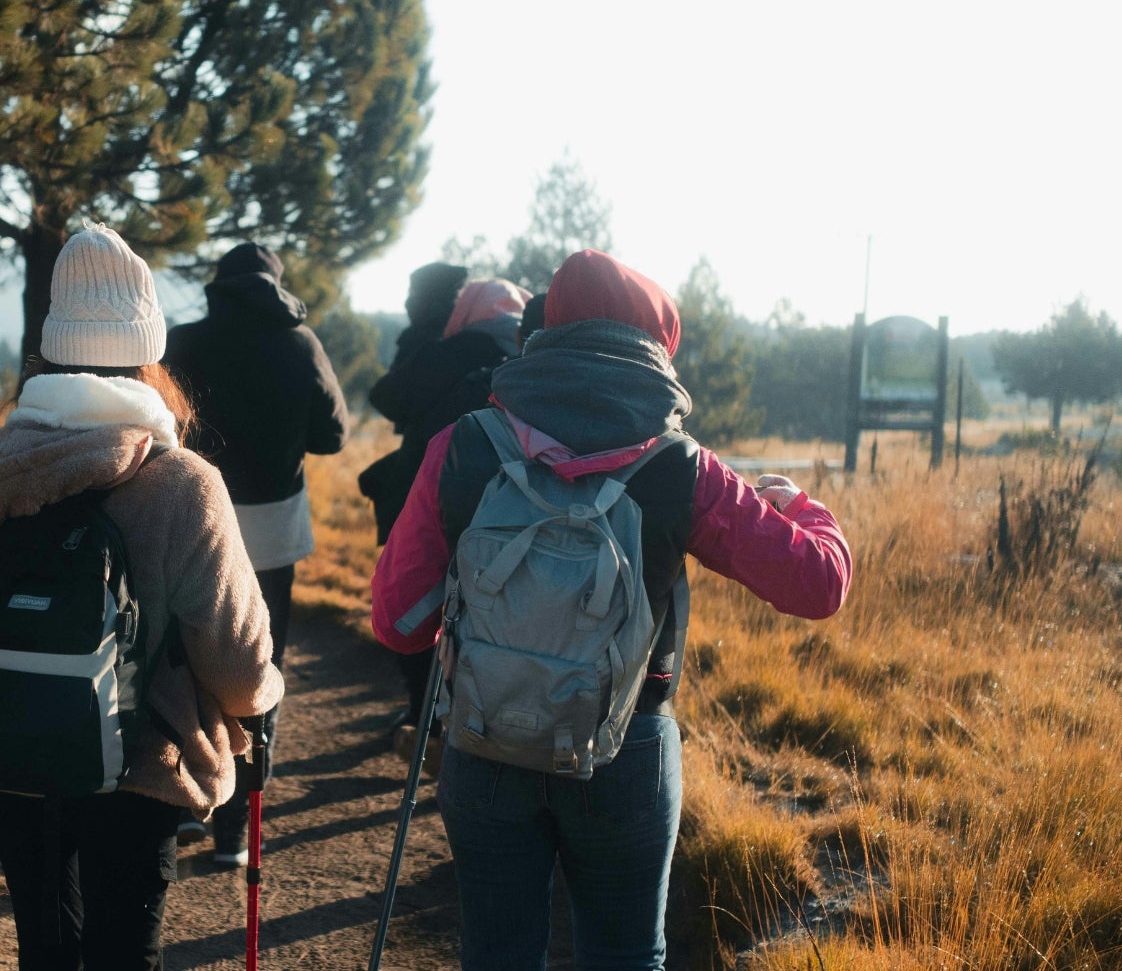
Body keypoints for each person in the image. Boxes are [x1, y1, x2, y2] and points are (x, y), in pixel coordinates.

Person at [370, 249, 852, 970]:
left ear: (547, 332)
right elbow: (818, 586)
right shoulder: (682, 467)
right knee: (626, 955)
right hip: (624, 751)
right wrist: (800, 509)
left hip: (485, 736)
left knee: (497, 955)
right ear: (657, 349)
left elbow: (397, 624)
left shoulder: (467, 444)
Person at [0, 226, 284, 971]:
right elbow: (236, 659)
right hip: (143, 772)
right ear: (148, 355)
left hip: (7, 758)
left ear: (49, 350)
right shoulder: (186, 486)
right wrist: (256, 707)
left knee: (44, 949)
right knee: (123, 954)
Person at [164, 242, 351, 863]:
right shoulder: (301, 344)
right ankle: (235, 833)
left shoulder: (185, 340)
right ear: (277, 284)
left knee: (183, 656)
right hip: (271, 528)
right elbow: (333, 435)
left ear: (219, 284)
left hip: (191, 516)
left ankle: (186, 797)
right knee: (259, 668)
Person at [365, 277, 530, 751]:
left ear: (468, 310)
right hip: (503, 508)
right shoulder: (527, 358)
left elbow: (386, 397)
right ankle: (474, 719)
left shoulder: (442, 353)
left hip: (426, 490)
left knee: (419, 604)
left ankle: (424, 718)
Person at [357, 262, 469, 542]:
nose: (408, 302)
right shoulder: (467, 339)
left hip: (426, 473)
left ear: (429, 299)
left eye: (414, 294)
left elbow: (386, 397)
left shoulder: (430, 347)